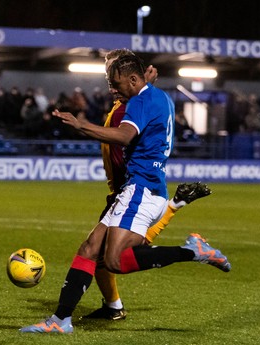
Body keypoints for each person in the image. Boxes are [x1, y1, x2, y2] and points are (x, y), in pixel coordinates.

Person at [20, 54, 231, 334]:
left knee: (114, 260)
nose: (112, 90)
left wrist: (80, 124)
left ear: (134, 80)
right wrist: (142, 85)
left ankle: (192, 252)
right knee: (89, 249)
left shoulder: (141, 101)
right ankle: (60, 321)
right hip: (142, 188)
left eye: (116, 84)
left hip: (142, 189)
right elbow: (142, 101)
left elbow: (123, 136)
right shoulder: (158, 97)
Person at [83, 49, 211, 321]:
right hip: (126, 187)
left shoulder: (130, 106)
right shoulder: (130, 101)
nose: (110, 81)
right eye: (108, 74)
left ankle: (189, 247)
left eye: (114, 76)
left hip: (130, 186)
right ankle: (112, 306)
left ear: (129, 78)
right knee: (102, 254)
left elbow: (127, 130)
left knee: (107, 253)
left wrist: (80, 125)